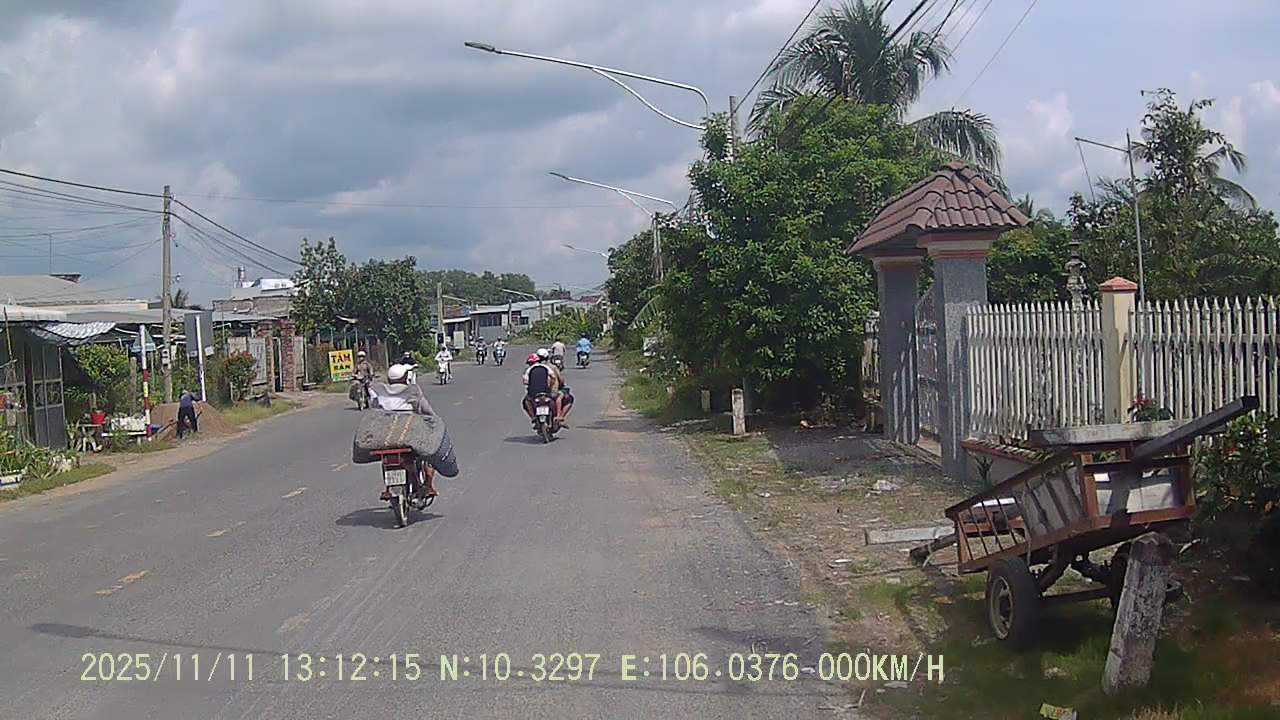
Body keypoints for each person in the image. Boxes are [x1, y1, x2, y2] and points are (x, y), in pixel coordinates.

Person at [369, 363, 440, 498]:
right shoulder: (412, 391)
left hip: (387, 435)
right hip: (409, 433)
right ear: (405, 377)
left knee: (386, 458)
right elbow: (425, 409)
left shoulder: (380, 391)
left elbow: (375, 410)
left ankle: (388, 487)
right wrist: (434, 419)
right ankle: (429, 485)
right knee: (429, 452)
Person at [522, 348, 563, 420]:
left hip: (533, 393)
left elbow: (525, 381)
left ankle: (533, 417)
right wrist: (550, 385)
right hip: (546, 391)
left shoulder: (529, 369)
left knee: (526, 401)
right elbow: (553, 377)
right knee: (559, 396)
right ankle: (558, 415)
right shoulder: (546, 367)